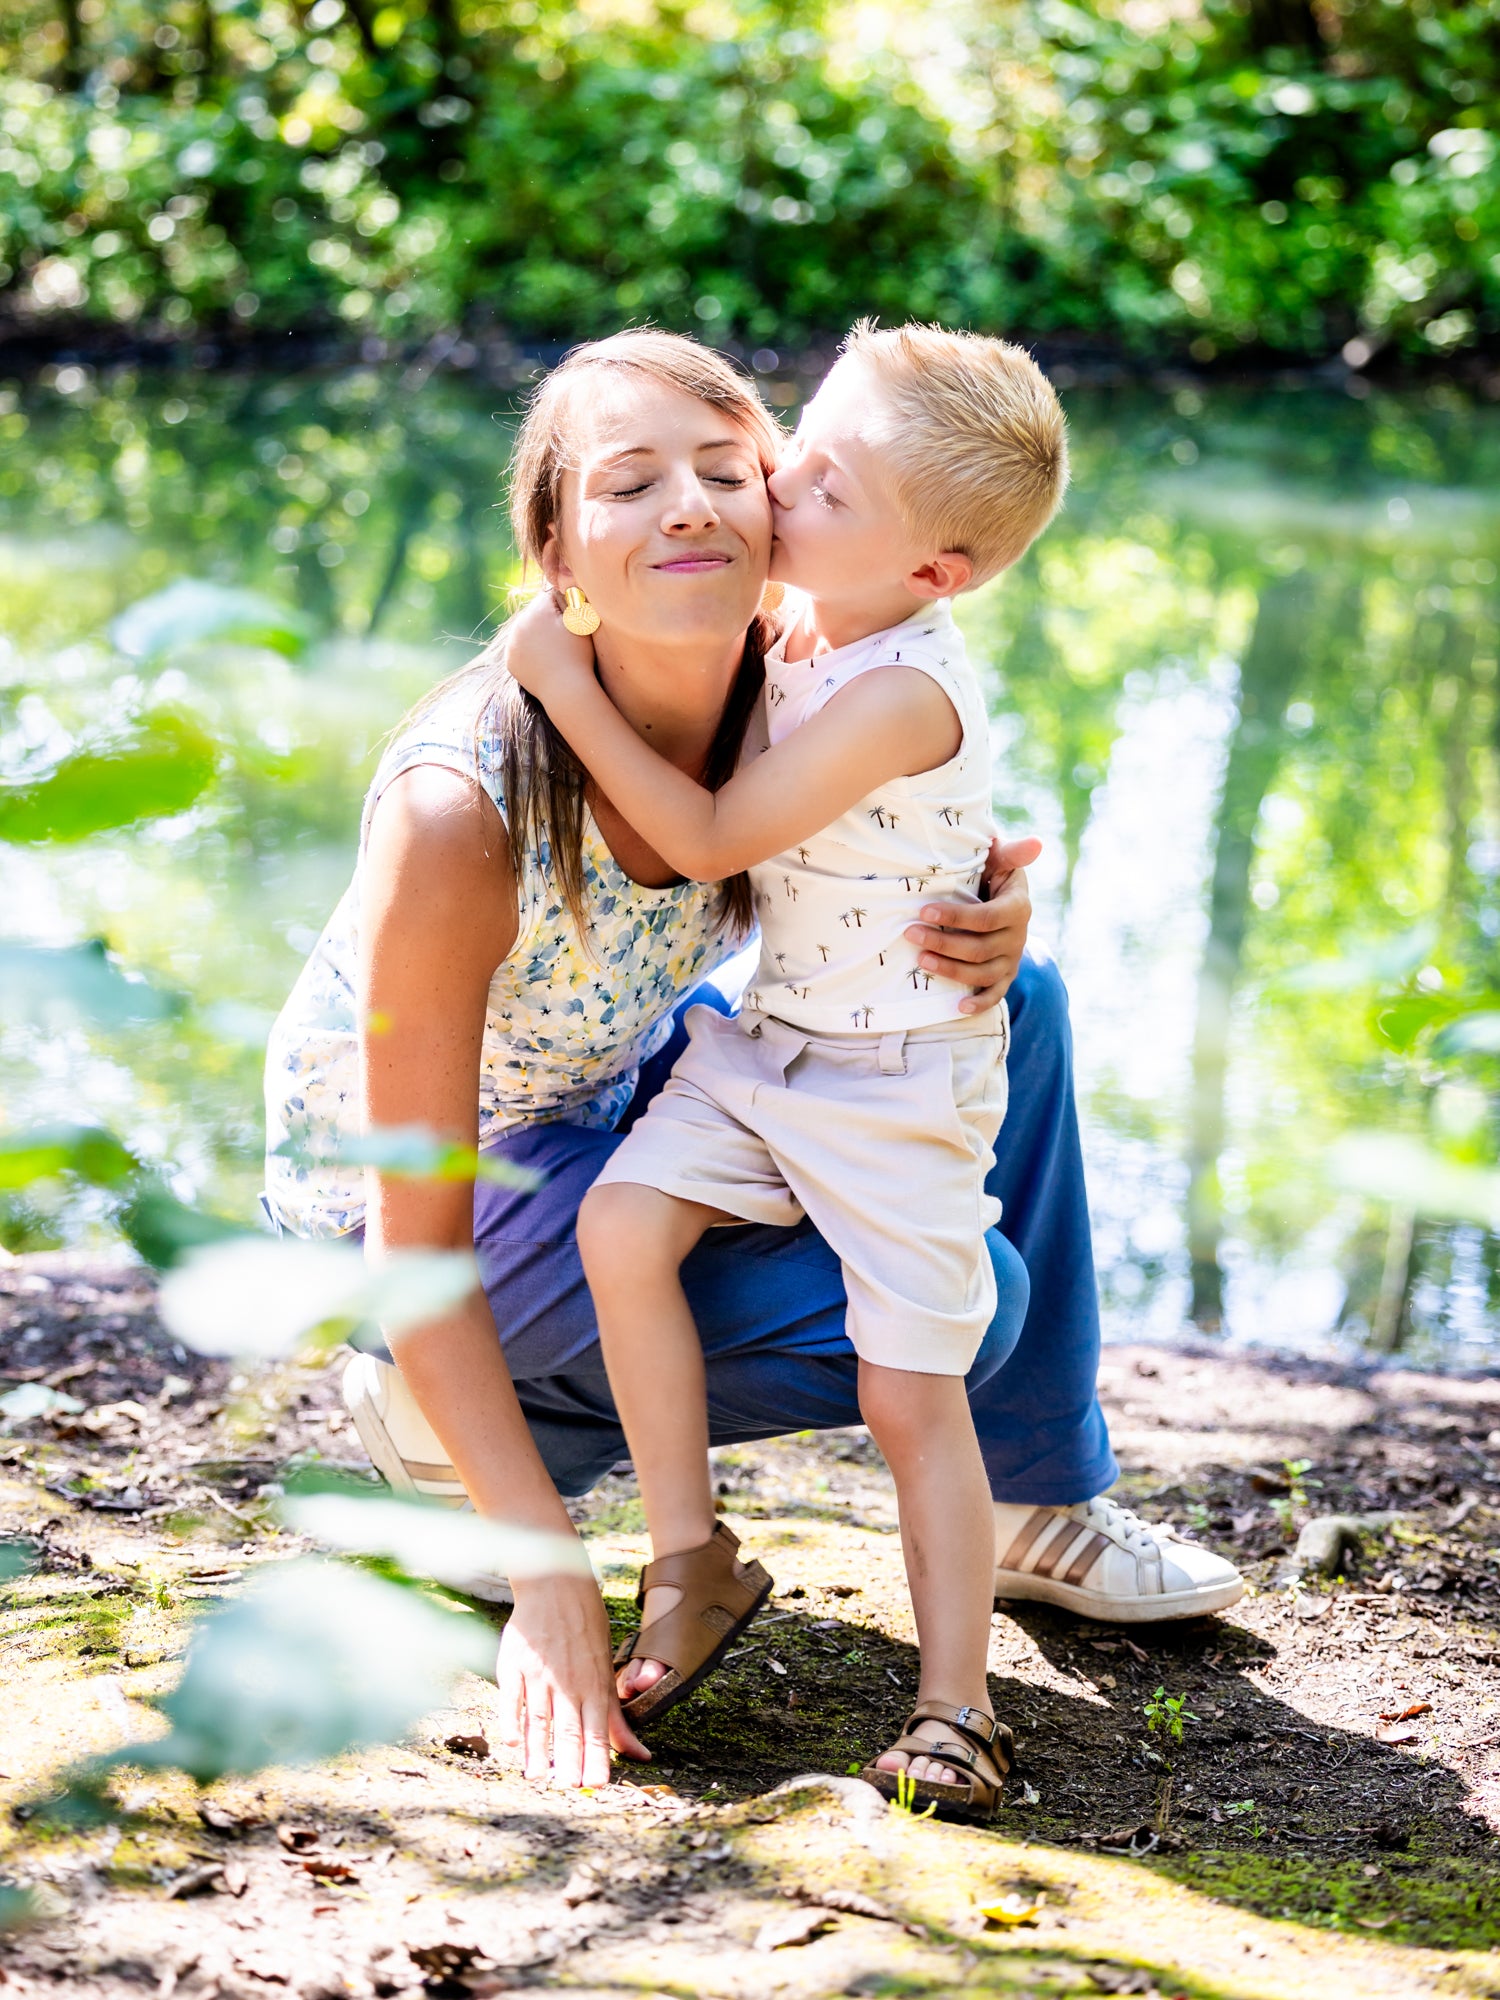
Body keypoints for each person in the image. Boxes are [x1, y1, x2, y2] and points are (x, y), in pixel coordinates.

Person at [263, 329, 1242, 1793]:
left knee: (1011, 999)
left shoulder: (782, 675)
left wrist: (988, 896)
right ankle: (451, 1426)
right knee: (967, 1314)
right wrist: (547, 1583)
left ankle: (1036, 1496)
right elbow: (414, 1224)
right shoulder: (457, 811)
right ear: (556, 553)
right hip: (422, 1201)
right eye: (630, 483)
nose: (691, 507)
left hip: (619, 1082)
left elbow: (901, 835)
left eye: (730, 468)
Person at [503, 322, 1066, 1818]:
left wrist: (558, 682)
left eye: (819, 481)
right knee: (622, 1228)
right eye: (794, 444)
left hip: (889, 1079)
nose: (772, 484)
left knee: (907, 1393)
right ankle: (691, 1554)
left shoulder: (900, 691)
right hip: (773, 1045)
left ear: (933, 572)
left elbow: (702, 843)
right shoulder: (812, 625)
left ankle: (958, 1704)